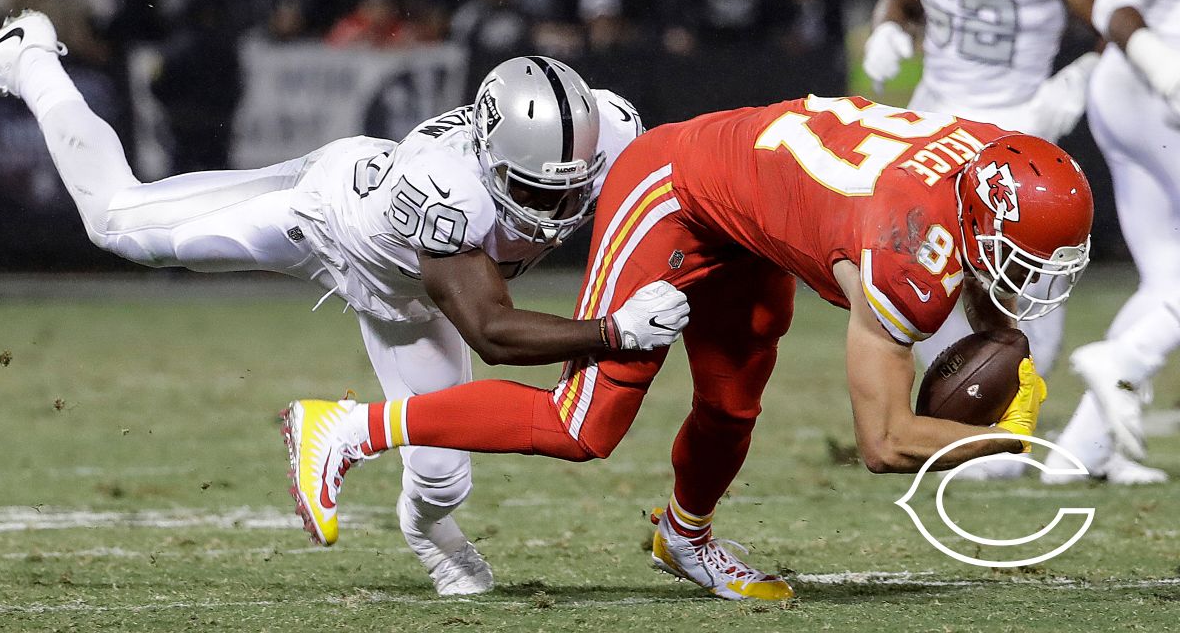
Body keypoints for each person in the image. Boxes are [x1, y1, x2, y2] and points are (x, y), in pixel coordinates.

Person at [0, 11, 682, 596]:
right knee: (119, 222)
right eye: (531, 188)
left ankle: (443, 555)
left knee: (444, 477)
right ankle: (30, 59)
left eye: (568, 185)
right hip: (322, 219)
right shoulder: (444, 188)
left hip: (412, 293)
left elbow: (668, 195)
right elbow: (492, 332)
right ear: (487, 153)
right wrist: (615, 327)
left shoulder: (609, 130)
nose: (554, 205)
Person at [283, 94, 1093, 601]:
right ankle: (347, 429)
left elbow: (983, 258)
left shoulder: (985, 152)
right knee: (583, 425)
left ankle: (686, 537)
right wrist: (1005, 437)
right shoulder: (903, 247)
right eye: (1029, 262)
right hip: (677, 186)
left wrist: (1000, 336)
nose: (1032, 282)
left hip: (757, 210)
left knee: (734, 397)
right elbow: (882, 444)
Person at [863, 0, 1104, 420]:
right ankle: (963, 413)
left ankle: (1018, 406)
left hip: (1017, 130)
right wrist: (887, 25)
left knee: (1030, 281)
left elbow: (1114, 20)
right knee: (924, 270)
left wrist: (1082, 76)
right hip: (935, 127)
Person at [1043, 0, 1180, 486]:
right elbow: (1114, 7)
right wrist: (1168, 72)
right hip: (1158, 87)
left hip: (1132, 92)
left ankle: (1080, 451)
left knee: (1167, 276)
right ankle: (1127, 359)